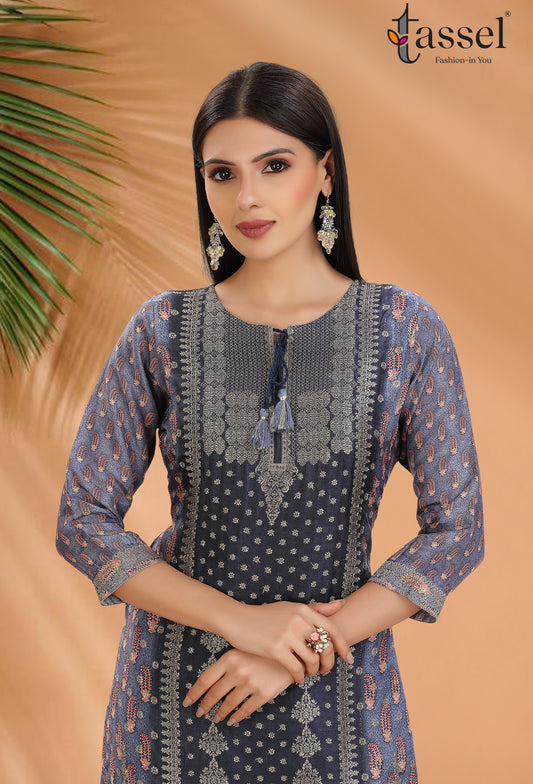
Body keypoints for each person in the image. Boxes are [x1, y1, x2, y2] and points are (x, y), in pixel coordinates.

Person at [56, 61, 484, 784]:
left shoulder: (405, 331)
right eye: (221, 174)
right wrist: (243, 623)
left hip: (339, 693)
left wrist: (303, 645)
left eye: (274, 165)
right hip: (179, 697)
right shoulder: (161, 330)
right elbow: (82, 522)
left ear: (325, 172)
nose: (246, 197)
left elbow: (458, 531)